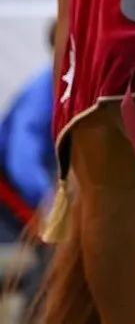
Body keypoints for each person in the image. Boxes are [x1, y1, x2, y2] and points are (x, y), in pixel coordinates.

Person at [0, 20, 57, 318]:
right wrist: (45, 200)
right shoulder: (43, 90)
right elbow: (21, 157)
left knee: (55, 250)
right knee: (55, 246)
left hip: (15, 179)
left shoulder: (59, 86)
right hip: (6, 180)